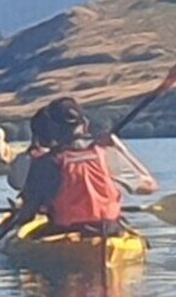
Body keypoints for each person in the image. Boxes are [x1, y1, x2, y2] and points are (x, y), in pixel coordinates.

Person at [13, 97, 158, 237]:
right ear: (85, 125)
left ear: (51, 131)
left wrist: (18, 225)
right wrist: (122, 150)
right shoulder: (107, 154)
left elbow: (28, 211)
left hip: (65, 233)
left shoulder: (47, 162)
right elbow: (150, 186)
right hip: (109, 230)